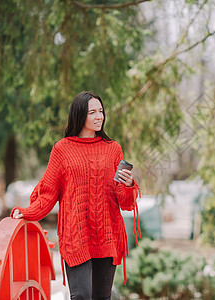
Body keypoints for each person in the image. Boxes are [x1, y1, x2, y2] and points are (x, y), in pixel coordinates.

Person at [11, 91, 141, 300]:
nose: (99, 116)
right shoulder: (62, 149)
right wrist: (27, 212)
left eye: (101, 111)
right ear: (80, 115)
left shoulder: (113, 149)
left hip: (107, 235)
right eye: (93, 112)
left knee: (102, 297)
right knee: (80, 296)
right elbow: (48, 192)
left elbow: (125, 203)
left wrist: (128, 185)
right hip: (76, 235)